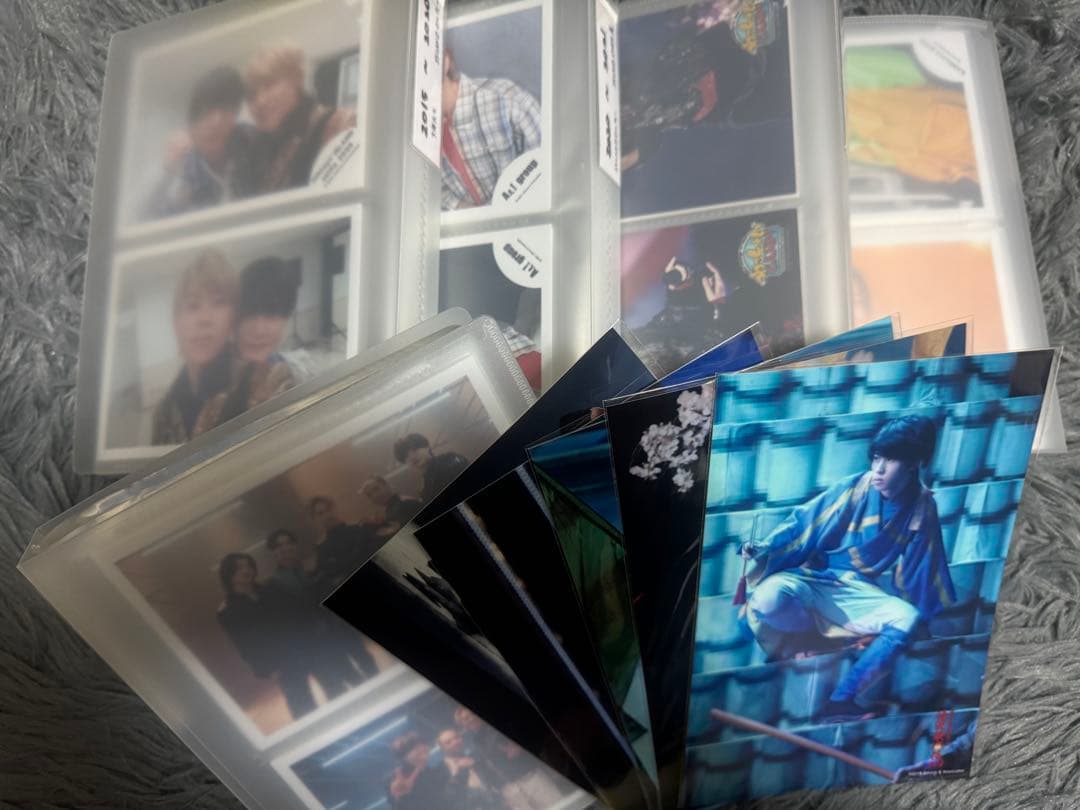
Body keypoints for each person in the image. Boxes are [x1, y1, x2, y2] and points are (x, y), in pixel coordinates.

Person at [739, 415, 955, 722]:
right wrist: (764, 547)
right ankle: (805, 641)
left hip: (855, 591)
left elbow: (921, 571)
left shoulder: (923, 507)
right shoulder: (856, 487)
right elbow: (804, 522)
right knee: (768, 599)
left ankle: (842, 700)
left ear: (913, 463)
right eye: (877, 458)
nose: (879, 469)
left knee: (906, 617)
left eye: (891, 460)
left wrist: (921, 622)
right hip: (809, 578)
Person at [215, 552, 352, 720]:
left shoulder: (271, 588)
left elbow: (298, 612)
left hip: (306, 646)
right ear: (228, 574)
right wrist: (264, 669)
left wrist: (314, 636)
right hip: (281, 661)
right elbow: (244, 644)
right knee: (302, 706)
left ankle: (350, 720)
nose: (246, 570)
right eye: (239, 568)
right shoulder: (228, 611)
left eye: (248, 565)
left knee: (335, 686)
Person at [192, 256, 300, 436]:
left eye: (271, 316)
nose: (259, 330)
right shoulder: (205, 375)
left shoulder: (284, 377)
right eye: (249, 314)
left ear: (286, 319)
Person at [240, 43, 356, 193]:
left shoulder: (340, 124)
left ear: (297, 79)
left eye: (269, 85)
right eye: (251, 95)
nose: (260, 101)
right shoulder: (255, 155)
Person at [266, 529, 378, 681]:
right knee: (346, 672)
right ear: (273, 552)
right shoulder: (274, 584)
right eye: (279, 545)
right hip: (317, 636)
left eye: (289, 543)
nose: (286, 548)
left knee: (365, 660)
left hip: (340, 626)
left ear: (295, 545)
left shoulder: (313, 565)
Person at [440, 46, 542, 211]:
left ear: (445, 61)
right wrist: (463, 210)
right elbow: (437, 192)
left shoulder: (506, 101)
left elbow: (549, 170)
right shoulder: (414, 138)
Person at [152, 250, 237, 445]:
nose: (205, 319)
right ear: (176, 323)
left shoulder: (265, 383)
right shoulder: (163, 412)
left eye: (218, 302)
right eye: (192, 305)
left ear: (233, 317)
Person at [148, 66, 256, 218]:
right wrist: (167, 173)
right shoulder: (180, 166)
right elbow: (146, 216)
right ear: (191, 124)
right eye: (208, 111)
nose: (216, 121)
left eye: (226, 109)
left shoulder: (250, 139)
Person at [308, 496, 386, 588]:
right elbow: (334, 576)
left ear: (334, 509)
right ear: (315, 520)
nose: (327, 514)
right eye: (320, 513)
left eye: (328, 509)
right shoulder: (322, 550)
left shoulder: (358, 529)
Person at [435, 728, 505, 809]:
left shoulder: (475, 756)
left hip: (497, 804)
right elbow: (448, 798)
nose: (455, 742)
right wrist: (459, 773)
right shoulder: (440, 771)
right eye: (448, 742)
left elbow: (495, 779)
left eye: (456, 738)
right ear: (442, 748)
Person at [393, 433, 471, 505]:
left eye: (414, 450)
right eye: (406, 457)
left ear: (427, 447)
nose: (412, 457)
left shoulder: (449, 459)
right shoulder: (426, 491)